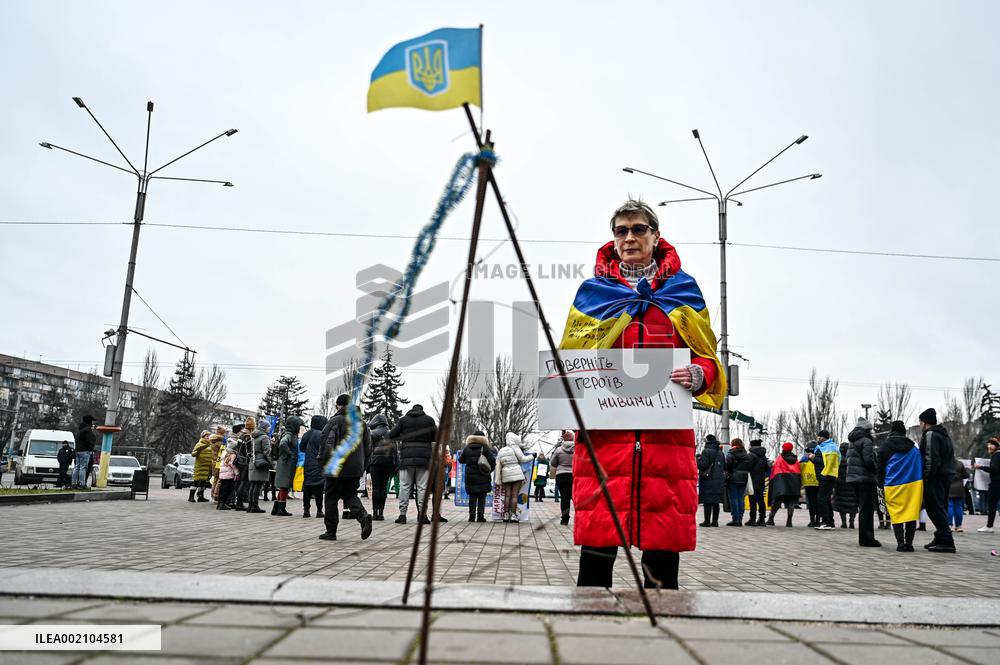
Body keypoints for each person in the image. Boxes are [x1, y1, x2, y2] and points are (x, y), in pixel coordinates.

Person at [559, 200, 725, 590]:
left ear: (655, 236)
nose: (629, 237)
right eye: (621, 230)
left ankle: (662, 642)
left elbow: (707, 356)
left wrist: (702, 373)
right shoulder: (592, 292)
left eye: (638, 229)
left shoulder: (683, 289)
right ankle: (589, 642)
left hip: (664, 444)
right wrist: (568, 396)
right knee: (595, 561)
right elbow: (572, 358)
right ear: (613, 239)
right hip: (605, 442)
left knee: (662, 566)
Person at [318, 394, 373, 541]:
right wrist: (363, 466)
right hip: (355, 469)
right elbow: (368, 449)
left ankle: (331, 532)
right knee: (350, 495)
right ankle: (363, 516)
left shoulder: (334, 422)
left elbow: (325, 444)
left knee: (331, 498)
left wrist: (323, 463)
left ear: (338, 406)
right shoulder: (361, 423)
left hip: (336, 467)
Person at [389, 404, 437, 525]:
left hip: (406, 459)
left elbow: (391, 435)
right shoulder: (429, 420)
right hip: (424, 460)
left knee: (404, 486)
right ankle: (422, 515)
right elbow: (435, 437)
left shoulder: (403, 420)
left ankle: (402, 515)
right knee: (422, 488)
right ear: (422, 410)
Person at [878, 420, 922, 552]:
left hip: (893, 485)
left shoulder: (885, 446)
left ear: (892, 431)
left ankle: (900, 544)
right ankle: (910, 544)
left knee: (896, 514)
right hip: (912, 486)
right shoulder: (913, 447)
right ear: (904, 432)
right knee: (910, 514)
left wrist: (880, 483)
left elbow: (880, 468)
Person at [918, 408, 957, 553]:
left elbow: (931, 458)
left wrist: (926, 476)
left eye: (920, 422)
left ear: (925, 422)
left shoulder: (931, 434)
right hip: (946, 475)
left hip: (935, 477)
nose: (920, 425)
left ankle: (947, 540)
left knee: (934, 508)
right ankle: (940, 536)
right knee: (941, 507)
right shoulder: (944, 434)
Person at [846, 418, 880, 546]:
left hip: (853, 478)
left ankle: (864, 538)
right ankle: (867, 538)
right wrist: (875, 470)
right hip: (864, 478)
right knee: (867, 509)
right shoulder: (866, 441)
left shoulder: (852, 441)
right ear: (866, 430)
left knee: (863, 508)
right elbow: (868, 460)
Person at [458, 431, 495, 523]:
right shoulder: (485, 448)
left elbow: (461, 460)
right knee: (482, 497)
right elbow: (493, 462)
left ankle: (471, 516)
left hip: (470, 476)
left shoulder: (467, 448)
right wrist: (489, 470)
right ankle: (480, 517)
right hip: (483, 475)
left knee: (472, 496)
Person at [495, 432, 533, 522]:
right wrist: (532, 456)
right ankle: (513, 515)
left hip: (505, 475)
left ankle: (505, 515)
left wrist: (498, 478)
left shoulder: (501, 450)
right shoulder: (515, 448)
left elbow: (498, 464)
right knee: (514, 495)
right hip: (517, 473)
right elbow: (523, 459)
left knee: (507, 495)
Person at [367, 413, 396, 521]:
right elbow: (394, 450)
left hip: (375, 463)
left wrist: (367, 464)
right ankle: (381, 512)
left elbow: (368, 449)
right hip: (388, 463)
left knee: (376, 488)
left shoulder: (372, 433)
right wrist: (395, 465)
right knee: (383, 488)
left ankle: (375, 512)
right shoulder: (391, 434)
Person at [273, 415, 303, 517]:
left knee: (283, 487)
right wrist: (289, 454)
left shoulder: (288, 434)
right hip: (287, 464)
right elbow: (283, 444)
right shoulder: (289, 435)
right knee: (285, 486)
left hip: (284, 463)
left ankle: (276, 508)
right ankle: (281, 509)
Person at [766, 442, 801, 527]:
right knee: (791, 501)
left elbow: (775, 471)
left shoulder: (780, 458)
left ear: (783, 448)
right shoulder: (795, 459)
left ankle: (771, 519)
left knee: (777, 501)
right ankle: (789, 521)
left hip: (781, 483)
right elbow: (798, 471)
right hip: (793, 483)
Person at [300, 415, 328, 519]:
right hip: (319, 464)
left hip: (308, 464)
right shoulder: (322, 434)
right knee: (319, 488)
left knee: (307, 487)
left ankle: (306, 510)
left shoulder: (307, 434)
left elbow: (302, 448)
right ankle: (319, 510)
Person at [813, 430, 841, 530]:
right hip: (824, 475)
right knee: (826, 499)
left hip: (828, 475)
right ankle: (830, 522)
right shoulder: (822, 447)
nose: (818, 438)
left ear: (824, 437)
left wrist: (813, 458)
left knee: (821, 499)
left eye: (820, 436)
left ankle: (826, 522)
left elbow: (824, 463)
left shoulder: (830, 447)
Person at [697, 434, 726, 527]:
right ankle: (715, 521)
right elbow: (724, 466)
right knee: (716, 502)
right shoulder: (720, 452)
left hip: (708, 479)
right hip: (719, 479)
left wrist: (698, 460)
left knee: (708, 501)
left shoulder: (706, 451)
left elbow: (703, 465)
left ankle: (707, 521)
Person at [724, 439, 753, 526]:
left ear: (733, 444)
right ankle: (740, 519)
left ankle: (735, 519)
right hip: (744, 477)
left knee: (733, 498)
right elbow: (749, 466)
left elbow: (727, 465)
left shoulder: (731, 453)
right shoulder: (746, 454)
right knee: (741, 498)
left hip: (733, 477)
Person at [548, 430, 575, 526]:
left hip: (561, 475)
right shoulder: (577, 449)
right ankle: (580, 518)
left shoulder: (559, 450)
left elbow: (553, 463)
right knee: (575, 497)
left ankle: (564, 519)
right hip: (574, 475)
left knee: (564, 498)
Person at [247, 418, 272, 514]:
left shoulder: (253, 436)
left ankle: (250, 505)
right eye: (268, 427)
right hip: (261, 463)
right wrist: (272, 463)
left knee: (253, 485)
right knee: (258, 485)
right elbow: (267, 452)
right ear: (264, 428)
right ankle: (255, 505)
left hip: (253, 461)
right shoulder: (264, 437)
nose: (269, 429)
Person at [974, 438, 1000, 532]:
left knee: (992, 505)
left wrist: (981, 467)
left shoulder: (996, 455)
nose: (989, 446)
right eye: (988, 444)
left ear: (996, 446)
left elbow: (994, 469)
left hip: (996, 484)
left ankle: (989, 526)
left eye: (991, 445)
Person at [834, 440, 858, 529]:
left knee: (842, 504)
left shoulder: (838, 460)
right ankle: (851, 522)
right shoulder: (853, 459)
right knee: (853, 504)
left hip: (840, 485)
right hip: (852, 484)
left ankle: (843, 522)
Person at [746, 440, 770, 526]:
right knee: (761, 500)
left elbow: (747, 467)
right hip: (761, 480)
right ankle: (762, 519)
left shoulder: (750, 455)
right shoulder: (763, 456)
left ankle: (752, 519)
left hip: (752, 481)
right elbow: (767, 468)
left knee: (752, 501)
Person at [71, 415, 96, 489]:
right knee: (83, 467)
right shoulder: (88, 429)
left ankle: (74, 483)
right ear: (89, 421)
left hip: (78, 450)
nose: (93, 422)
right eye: (92, 420)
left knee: (77, 467)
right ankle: (82, 483)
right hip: (85, 451)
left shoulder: (81, 429)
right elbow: (89, 440)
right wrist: (90, 448)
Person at [190, 431, 215, 503]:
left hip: (207, 467)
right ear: (203, 436)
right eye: (206, 436)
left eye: (209, 436)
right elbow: (193, 454)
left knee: (203, 483)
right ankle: (191, 497)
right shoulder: (199, 444)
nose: (208, 437)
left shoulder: (210, 445)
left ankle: (200, 497)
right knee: (196, 482)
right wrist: (198, 451)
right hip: (200, 466)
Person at [231, 423, 250, 510]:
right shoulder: (247, 436)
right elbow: (249, 452)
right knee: (243, 483)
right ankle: (239, 503)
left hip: (239, 460)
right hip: (245, 461)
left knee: (239, 483)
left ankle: (237, 502)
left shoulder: (241, 436)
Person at [800, 445, 820, 527]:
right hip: (818, 481)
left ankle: (812, 520)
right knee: (818, 501)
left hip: (808, 482)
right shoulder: (819, 456)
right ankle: (818, 520)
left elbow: (800, 468)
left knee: (811, 502)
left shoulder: (804, 458)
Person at [947, 457, 969, 533]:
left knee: (949, 506)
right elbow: (966, 475)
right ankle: (959, 526)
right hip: (959, 488)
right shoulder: (960, 463)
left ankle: (950, 525)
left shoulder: (945, 463)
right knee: (959, 507)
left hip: (949, 487)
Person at [216, 442, 239, 510]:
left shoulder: (224, 452)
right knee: (227, 490)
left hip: (222, 474)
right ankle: (223, 504)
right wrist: (237, 473)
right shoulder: (232, 455)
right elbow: (232, 465)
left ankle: (220, 504)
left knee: (222, 489)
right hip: (229, 475)